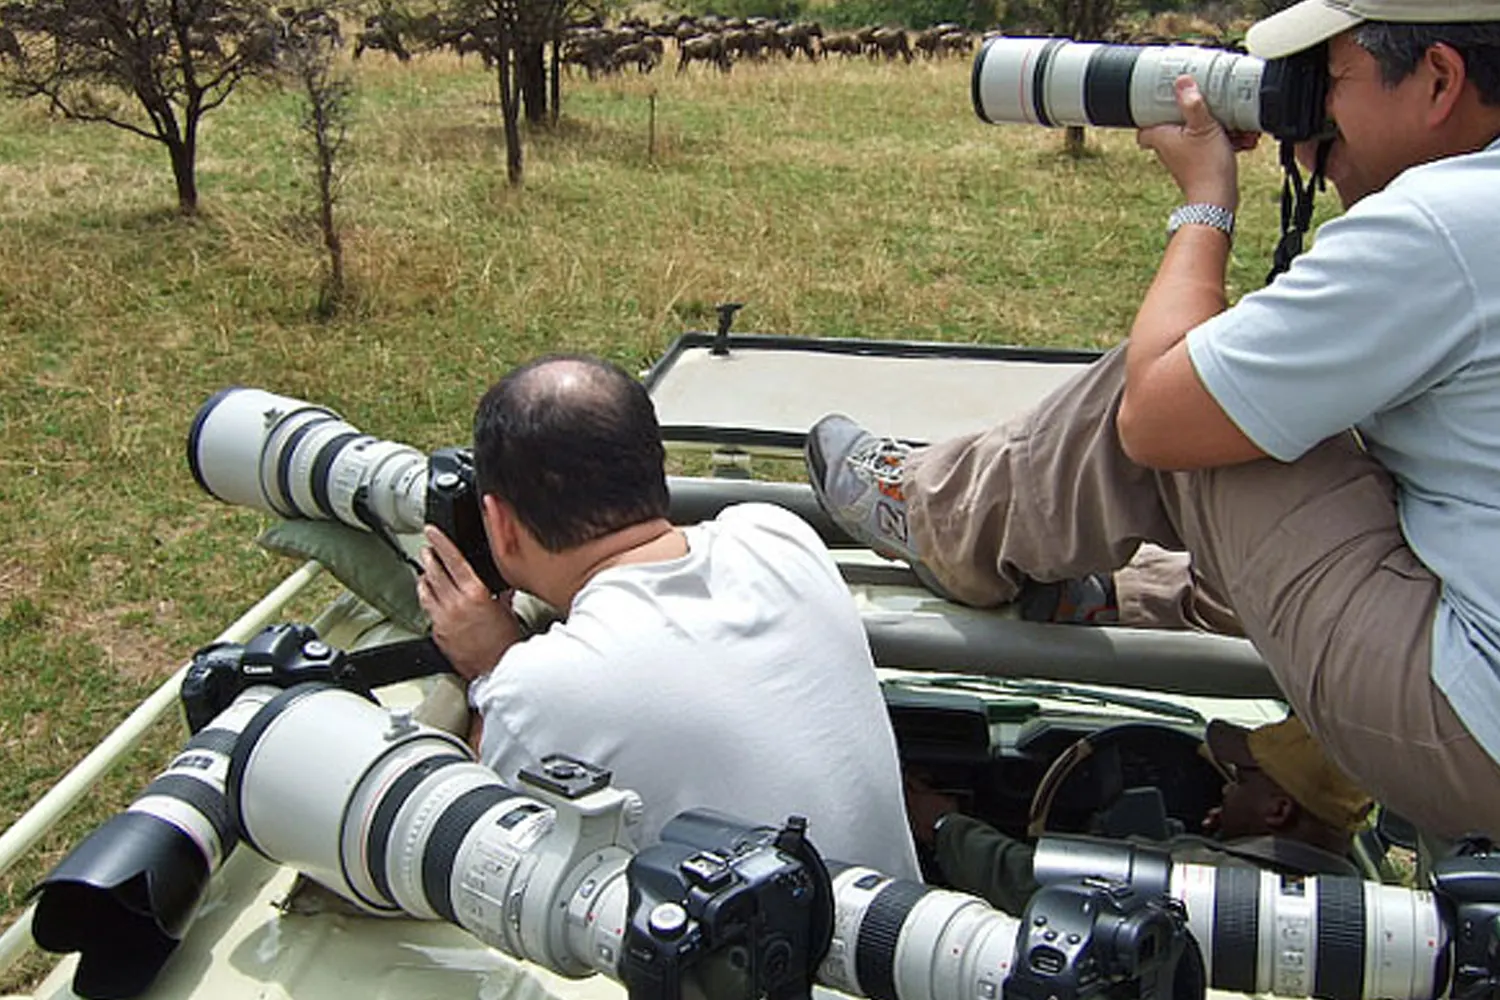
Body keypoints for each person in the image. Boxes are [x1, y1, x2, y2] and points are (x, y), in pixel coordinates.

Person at [805, 0, 1500, 839]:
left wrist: (1206, 201)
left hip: (1464, 727)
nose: (1317, 107)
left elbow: (1159, 416)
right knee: (1264, 392)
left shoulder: (1452, 223)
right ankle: (1116, 593)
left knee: (1199, 392)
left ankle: (937, 515)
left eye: (1334, 78)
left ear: (1438, 78)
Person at [416, 354, 920, 879]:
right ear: (655, 467)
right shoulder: (777, 535)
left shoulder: (534, 690)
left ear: (498, 523)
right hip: (895, 935)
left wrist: (490, 670)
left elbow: (489, 857)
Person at [905, 716, 1373, 916]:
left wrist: (944, 824)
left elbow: (1037, 888)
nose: (1227, 787)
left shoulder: (1198, 880)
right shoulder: (1371, 910)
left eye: (1242, 781)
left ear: (1278, 811)